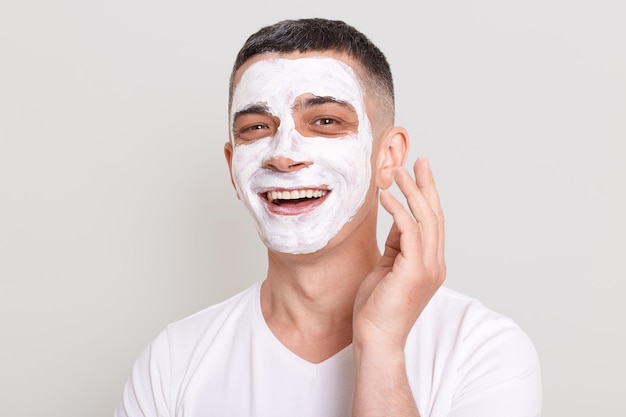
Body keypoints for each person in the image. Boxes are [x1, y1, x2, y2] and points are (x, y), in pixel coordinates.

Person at [114, 18, 541, 417]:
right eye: (256, 128)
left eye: (325, 121)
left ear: (387, 157)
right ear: (232, 166)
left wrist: (382, 347)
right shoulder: (172, 362)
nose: (283, 155)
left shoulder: (481, 350)